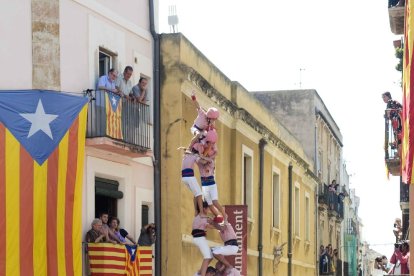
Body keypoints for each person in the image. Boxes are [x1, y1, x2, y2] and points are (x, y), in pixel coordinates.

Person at [192, 201, 215, 276]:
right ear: (204, 209)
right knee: (207, 256)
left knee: (211, 256)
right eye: (208, 208)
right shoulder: (202, 216)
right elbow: (209, 226)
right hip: (199, 238)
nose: (209, 210)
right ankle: (202, 274)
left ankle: (200, 271)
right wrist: (220, 227)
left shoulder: (199, 215)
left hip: (199, 238)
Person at [382, 92, 402, 157]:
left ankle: (399, 153)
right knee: (399, 138)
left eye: (384, 97)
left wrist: (385, 116)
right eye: (382, 98)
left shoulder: (389, 102)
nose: (383, 99)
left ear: (388, 96)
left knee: (398, 138)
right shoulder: (394, 101)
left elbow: (388, 113)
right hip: (400, 121)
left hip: (396, 121)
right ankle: (399, 152)